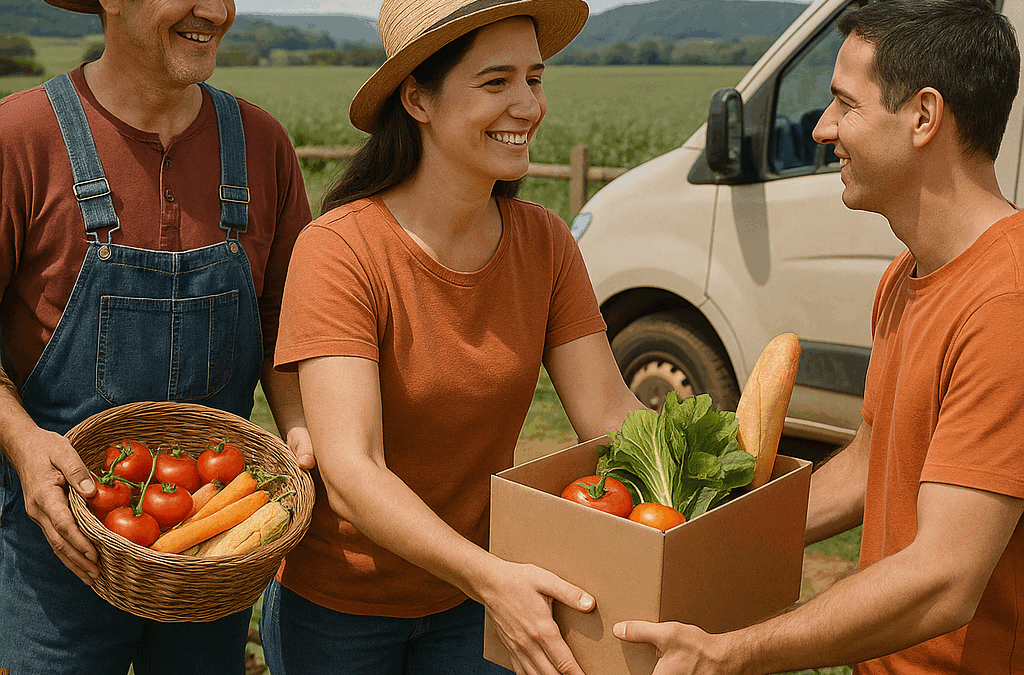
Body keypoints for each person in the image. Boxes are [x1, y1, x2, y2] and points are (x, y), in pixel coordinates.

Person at [612, 1, 1024, 673]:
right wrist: (709, 531)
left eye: (844, 104)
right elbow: (871, 460)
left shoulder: (1007, 302)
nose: (823, 129)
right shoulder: (906, 274)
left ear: (924, 116)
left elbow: (948, 578)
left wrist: (730, 652)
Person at [260, 0, 646, 673]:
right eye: (495, 82)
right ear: (418, 99)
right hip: (342, 608)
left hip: (475, 602)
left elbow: (609, 414)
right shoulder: (340, 250)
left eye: (535, 78)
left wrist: (724, 474)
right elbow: (352, 472)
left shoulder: (545, 244)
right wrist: (492, 577)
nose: (527, 105)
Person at [0, 0, 314, 670]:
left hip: (215, 533)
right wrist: (25, 444)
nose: (217, 11)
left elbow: (283, 323)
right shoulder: (20, 136)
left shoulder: (262, 143)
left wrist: (298, 427)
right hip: (60, 542)